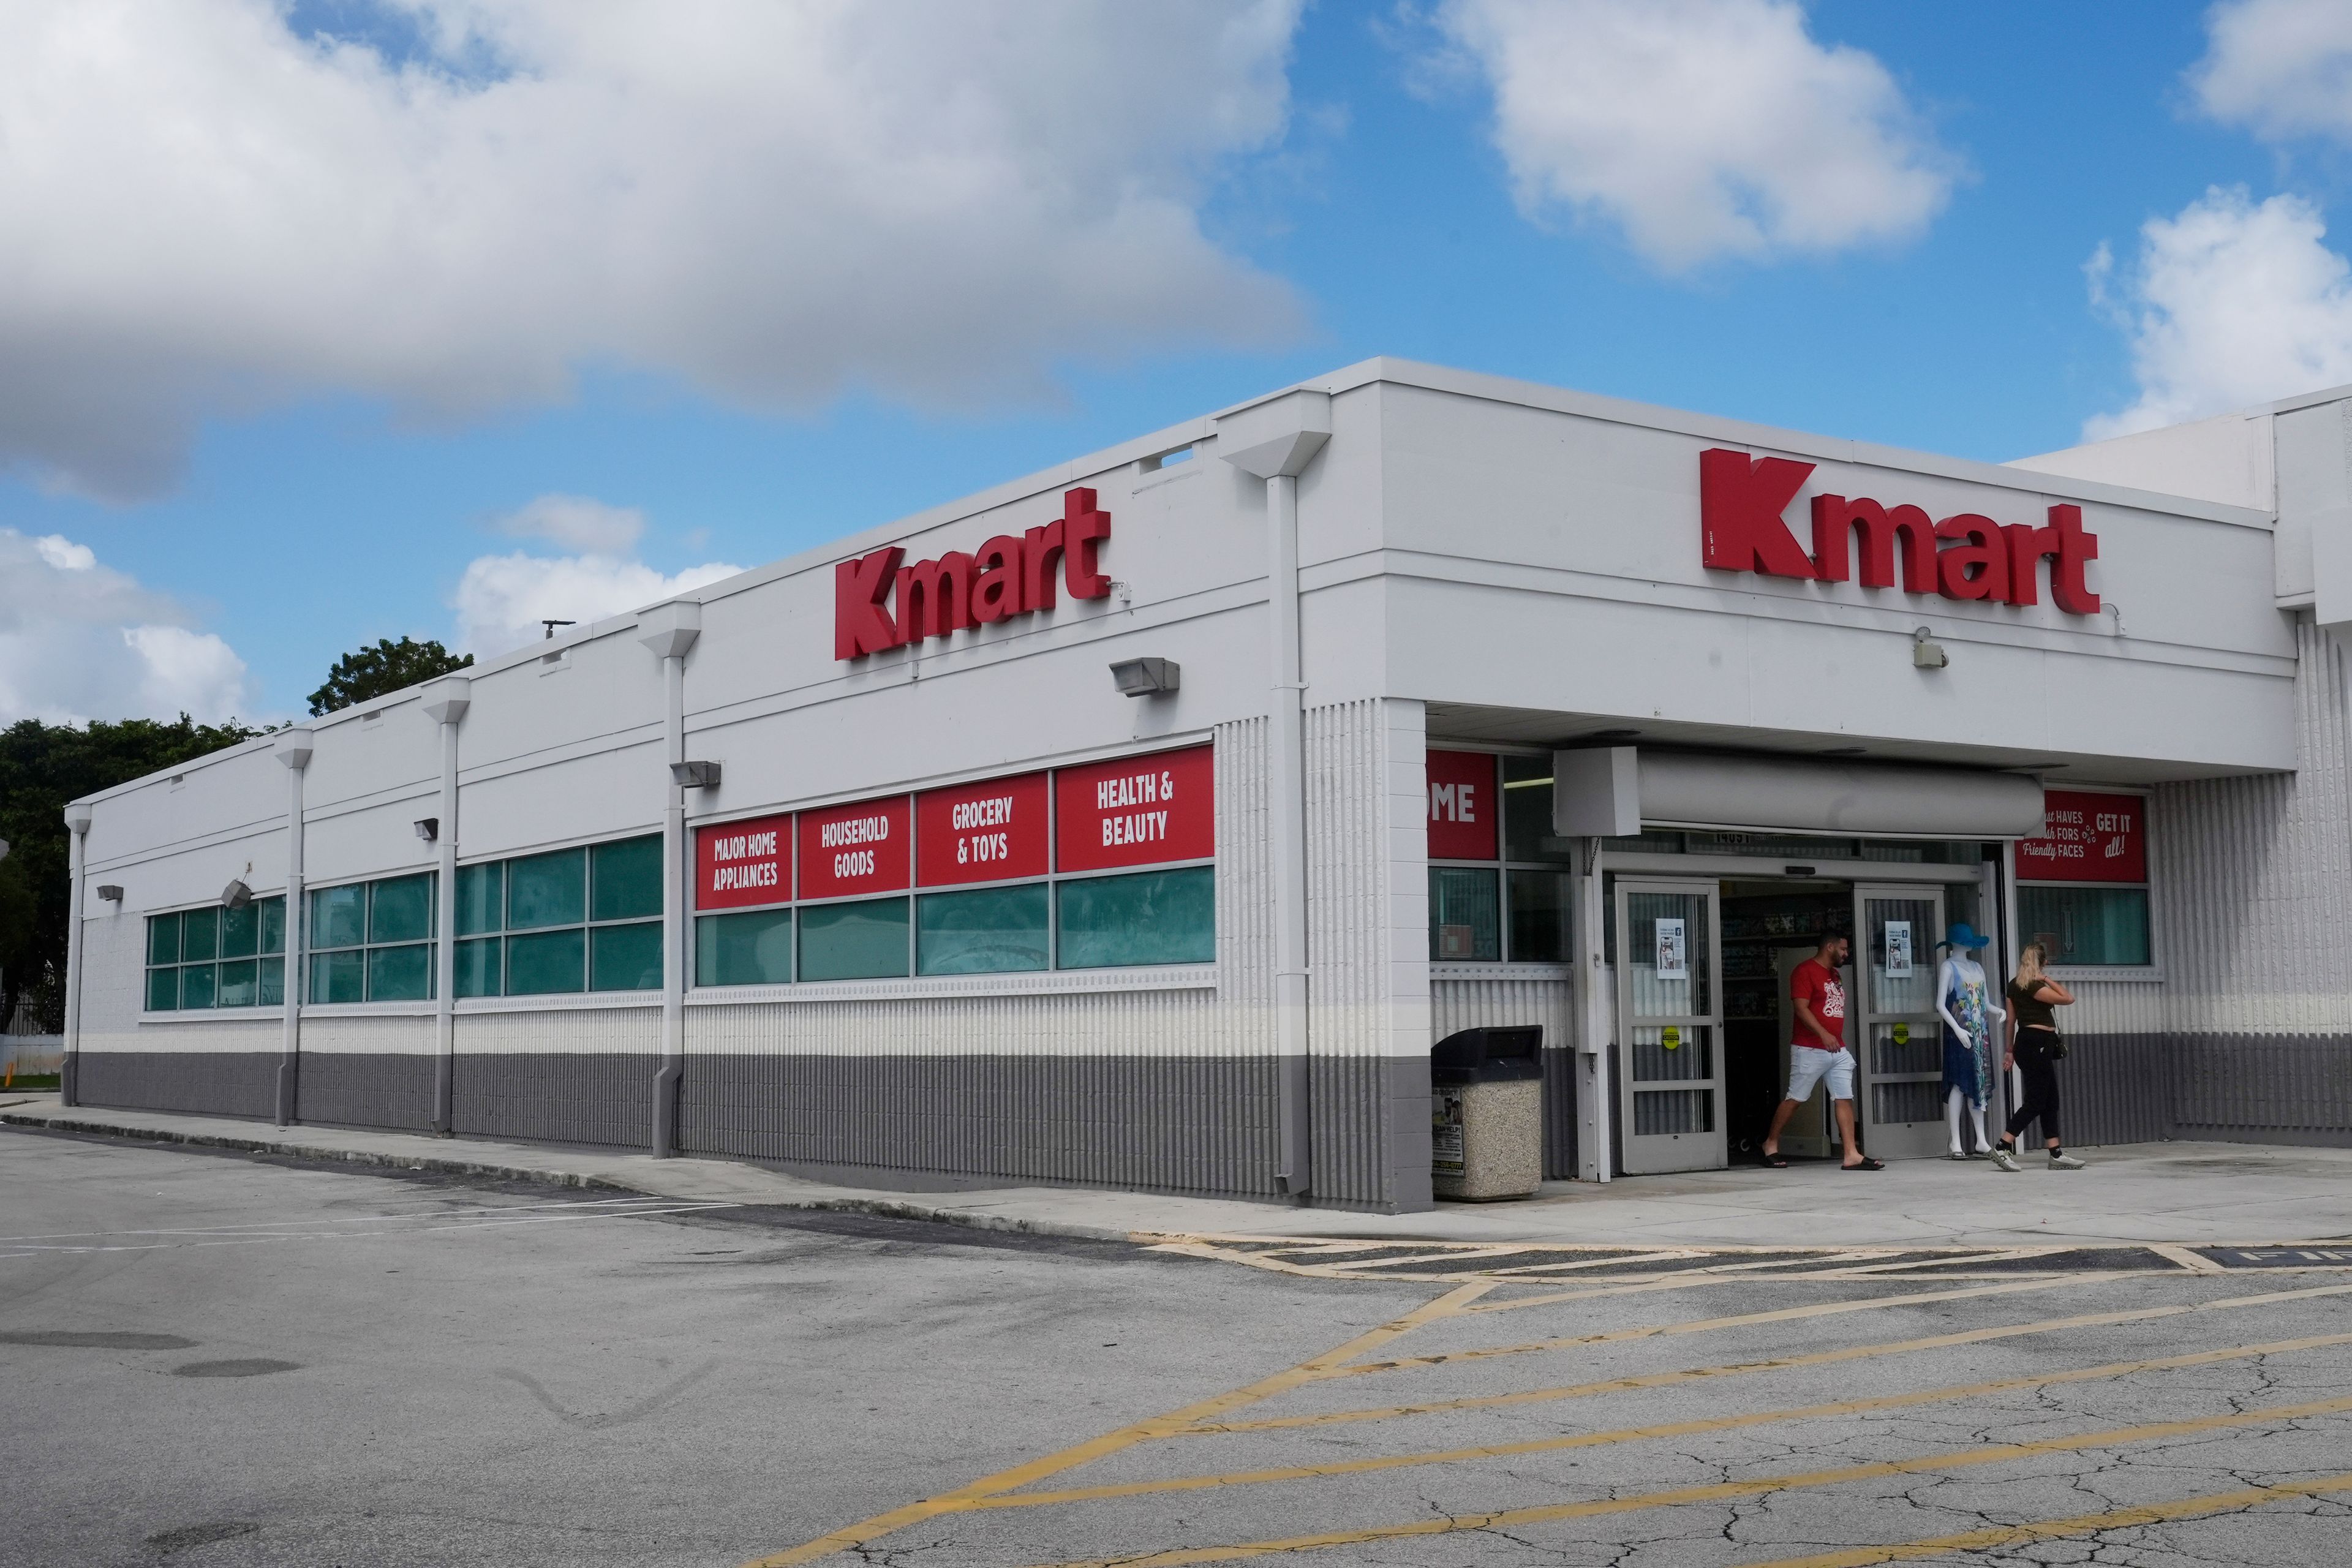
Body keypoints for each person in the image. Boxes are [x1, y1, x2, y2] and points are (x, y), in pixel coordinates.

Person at [1761, 932, 1883, 1170]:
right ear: (1830, 947)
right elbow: (1801, 1008)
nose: (1847, 954)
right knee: (1796, 1098)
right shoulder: (1804, 970)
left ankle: (1851, 1154)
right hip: (1809, 1048)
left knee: (1844, 1097)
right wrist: (1823, 1034)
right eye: (1844, 949)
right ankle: (1771, 1143)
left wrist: (1832, 1037)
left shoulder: (1834, 975)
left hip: (1837, 1049)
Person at [1991, 941, 2086, 1170]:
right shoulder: (2034, 985)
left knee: (2050, 1099)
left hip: (2026, 1044)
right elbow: (2067, 998)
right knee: (2036, 1100)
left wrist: (2009, 1051)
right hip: (2038, 1044)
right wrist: (2046, 979)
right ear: (2042, 963)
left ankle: (2056, 1153)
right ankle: (2003, 1145)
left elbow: (2011, 1023)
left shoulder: (2014, 986)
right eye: (2045, 964)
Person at [1936, 923, 2003, 1158]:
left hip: (1980, 1034)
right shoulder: (1948, 967)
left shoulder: (1977, 966)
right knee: (1958, 1084)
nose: (1969, 946)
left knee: (1979, 1084)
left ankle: (1981, 1140)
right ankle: (1956, 1141)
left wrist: (1997, 1011)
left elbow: (1985, 1001)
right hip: (1960, 1034)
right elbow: (1941, 1005)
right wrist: (1957, 1030)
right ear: (1956, 944)